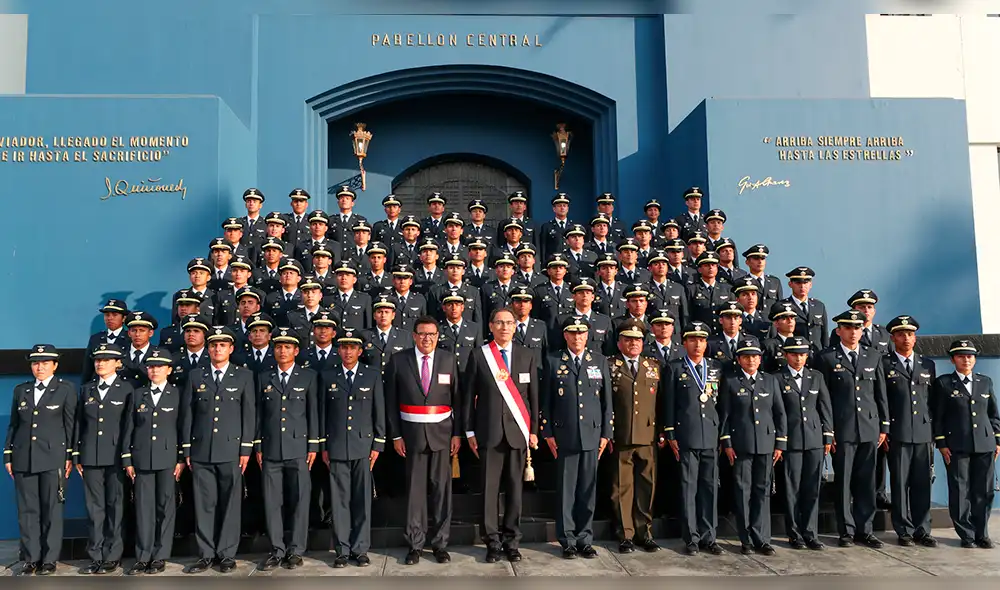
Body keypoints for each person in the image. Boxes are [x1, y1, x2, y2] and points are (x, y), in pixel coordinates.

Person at [464, 307, 540, 563]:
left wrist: (533, 431)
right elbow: (468, 397)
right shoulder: (479, 355)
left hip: (518, 433)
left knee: (515, 490)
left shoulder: (527, 355)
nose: (505, 327)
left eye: (509, 323)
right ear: (491, 326)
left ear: (515, 327)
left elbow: (533, 397)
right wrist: (469, 430)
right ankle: (492, 542)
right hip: (489, 433)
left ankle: (512, 541)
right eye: (499, 322)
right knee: (489, 491)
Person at [384, 316, 462, 565]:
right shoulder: (398, 360)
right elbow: (390, 402)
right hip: (411, 437)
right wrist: (396, 435)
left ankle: (440, 544)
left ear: (438, 336)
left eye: (432, 334)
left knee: (442, 492)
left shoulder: (448, 360)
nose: (427, 338)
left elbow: (457, 399)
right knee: (415, 494)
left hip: (442, 437)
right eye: (422, 334)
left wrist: (457, 434)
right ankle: (415, 544)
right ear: (414, 336)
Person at [182, 327, 256, 574]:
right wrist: (187, 448)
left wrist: (245, 448)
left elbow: (249, 414)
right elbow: (188, 414)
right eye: (213, 345)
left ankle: (226, 554)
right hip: (201, 450)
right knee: (204, 504)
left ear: (231, 348)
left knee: (230, 504)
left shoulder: (243, 376)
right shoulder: (196, 375)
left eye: (222, 345)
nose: (217, 349)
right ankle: (206, 554)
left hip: (231, 450)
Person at [813, 310, 888, 548]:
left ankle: (865, 530)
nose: (853, 332)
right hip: (842, 429)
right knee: (843, 482)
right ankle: (846, 531)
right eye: (848, 328)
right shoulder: (827, 358)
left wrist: (883, 426)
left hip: (869, 427)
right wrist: (829, 430)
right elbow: (823, 398)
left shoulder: (873, 356)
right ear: (839, 331)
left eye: (857, 328)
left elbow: (880, 394)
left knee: (867, 482)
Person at [541, 316, 612, 559]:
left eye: (581, 333)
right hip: (565, 435)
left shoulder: (599, 361)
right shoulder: (553, 360)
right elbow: (546, 401)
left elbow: (607, 402)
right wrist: (548, 432)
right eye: (572, 333)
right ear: (565, 335)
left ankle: (585, 538)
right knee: (566, 491)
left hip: (592, 434)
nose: (577, 337)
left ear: (587, 335)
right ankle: (567, 540)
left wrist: (606, 433)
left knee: (587, 491)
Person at [4, 344, 77, 576]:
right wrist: (8, 454)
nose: (40, 367)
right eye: (36, 363)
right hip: (24, 457)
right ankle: (31, 558)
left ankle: (49, 559)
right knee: (27, 511)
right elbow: (14, 425)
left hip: (53, 458)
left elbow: (70, 425)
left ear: (55, 365)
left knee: (51, 510)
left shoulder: (65, 389)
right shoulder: (21, 390)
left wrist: (69, 455)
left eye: (45, 363)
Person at [320, 329, 386, 567]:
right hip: (337, 446)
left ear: (360, 351)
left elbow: (379, 411)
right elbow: (323, 414)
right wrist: (324, 445)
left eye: (353, 347)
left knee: (362, 501)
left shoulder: (372, 375)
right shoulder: (328, 376)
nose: (348, 352)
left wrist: (378, 443)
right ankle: (342, 550)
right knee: (339, 502)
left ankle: (360, 549)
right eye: (344, 347)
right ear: (339, 350)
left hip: (363, 447)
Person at [255, 328, 319, 571]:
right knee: (272, 502)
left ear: (296, 350)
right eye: (279, 346)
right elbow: (258, 415)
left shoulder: (308, 376)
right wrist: (258, 444)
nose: (282, 351)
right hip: (271, 449)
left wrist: (313, 444)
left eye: (287, 347)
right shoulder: (264, 377)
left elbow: (313, 413)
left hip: (299, 448)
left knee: (300, 500)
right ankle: (277, 549)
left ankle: (296, 550)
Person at [659, 322, 724, 555]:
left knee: (710, 488)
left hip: (711, 435)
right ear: (684, 343)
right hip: (686, 435)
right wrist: (670, 432)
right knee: (689, 488)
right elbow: (668, 402)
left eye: (702, 340)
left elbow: (721, 404)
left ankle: (709, 536)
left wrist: (722, 434)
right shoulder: (675, 368)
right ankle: (691, 537)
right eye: (693, 340)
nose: (698, 344)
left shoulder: (715, 367)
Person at [718, 336, 787, 555]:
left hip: (766, 444)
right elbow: (725, 416)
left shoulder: (770, 380)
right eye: (746, 357)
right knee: (742, 492)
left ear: (760, 359)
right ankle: (745, 538)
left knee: (762, 491)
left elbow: (779, 413)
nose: (751, 360)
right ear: (739, 359)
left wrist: (780, 443)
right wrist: (727, 443)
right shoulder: (731, 381)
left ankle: (762, 538)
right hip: (741, 445)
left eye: (755, 356)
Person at [122, 348, 187, 575]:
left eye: (159, 366)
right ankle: (143, 556)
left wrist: (181, 458)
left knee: (165, 508)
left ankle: (160, 555)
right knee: (143, 508)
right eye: (151, 366)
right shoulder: (138, 394)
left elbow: (182, 427)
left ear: (169, 369)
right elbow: (129, 428)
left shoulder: (177, 394)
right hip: (142, 459)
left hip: (168, 458)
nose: (155, 370)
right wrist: (127, 458)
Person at [932, 339, 1000, 549]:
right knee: (960, 491)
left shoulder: (985, 382)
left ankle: (982, 533)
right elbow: (938, 416)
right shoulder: (944, 383)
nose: (966, 360)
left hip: (985, 445)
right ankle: (967, 534)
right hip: (957, 445)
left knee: (984, 491)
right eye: (961, 356)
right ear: (953, 360)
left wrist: (997, 440)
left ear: (975, 359)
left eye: (970, 356)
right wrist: (942, 443)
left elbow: (993, 414)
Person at [74, 343, 134, 575]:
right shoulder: (87, 389)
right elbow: (79, 424)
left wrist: (127, 455)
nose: (100, 363)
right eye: (98, 359)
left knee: (115, 506)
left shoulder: (127, 389)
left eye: (106, 360)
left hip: (116, 456)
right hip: (90, 456)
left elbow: (129, 426)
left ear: (117, 363)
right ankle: (96, 555)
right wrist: (77, 454)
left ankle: (113, 554)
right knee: (94, 508)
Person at [606, 319, 661, 554]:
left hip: (648, 435)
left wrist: (663, 431)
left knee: (647, 485)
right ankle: (625, 534)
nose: (633, 343)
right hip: (621, 434)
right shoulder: (610, 365)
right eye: (628, 339)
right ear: (619, 342)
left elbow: (661, 402)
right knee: (622, 486)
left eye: (637, 339)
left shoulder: (653, 366)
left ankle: (644, 532)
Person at [882, 315, 937, 547]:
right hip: (898, 432)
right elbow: (881, 399)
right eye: (901, 334)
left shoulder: (927, 364)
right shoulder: (884, 363)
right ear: (893, 338)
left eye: (910, 334)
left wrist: (934, 432)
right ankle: (903, 529)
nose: (906, 338)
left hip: (923, 433)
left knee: (922, 483)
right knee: (899, 483)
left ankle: (922, 529)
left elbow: (931, 401)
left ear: (915, 338)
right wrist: (885, 429)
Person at [774, 336, 832, 550]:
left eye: (802, 354)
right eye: (793, 354)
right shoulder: (777, 378)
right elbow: (777, 412)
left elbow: (824, 407)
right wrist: (780, 441)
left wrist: (828, 435)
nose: (798, 358)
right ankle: (794, 533)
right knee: (792, 490)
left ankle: (810, 533)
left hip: (814, 440)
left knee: (812, 489)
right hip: (791, 441)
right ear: (786, 355)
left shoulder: (816, 377)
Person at [82, 299, 130, 384]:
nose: (110, 318)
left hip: (122, 385)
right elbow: (88, 368)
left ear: (124, 318)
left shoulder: (130, 338)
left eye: (115, 315)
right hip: (98, 384)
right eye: (107, 315)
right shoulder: (95, 338)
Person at [784, 267, 829, 351]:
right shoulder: (783, 307)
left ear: (810, 285)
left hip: (817, 355)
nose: (802, 286)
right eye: (798, 283)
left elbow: (824, 335)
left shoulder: (819, 306)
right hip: (795, 354)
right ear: (790, 284)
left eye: (806, 283)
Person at [741, 244, 782, 313]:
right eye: (756, 258)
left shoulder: (775, 282)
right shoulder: (741, 282)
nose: (760, 262)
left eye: (763, 258)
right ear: (747, 262)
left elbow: (779, 307)